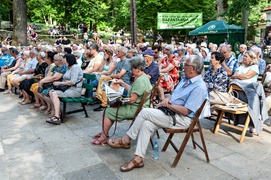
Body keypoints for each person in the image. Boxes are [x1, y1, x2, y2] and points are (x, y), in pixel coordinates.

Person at [106, 55, 207, 172]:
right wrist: (167, 100)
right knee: (147, 124)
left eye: (186, 65)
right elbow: (175, 97)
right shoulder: (186, 79)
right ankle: (138, 158)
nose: (183, 66)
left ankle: (126, 140)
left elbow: (186, 111)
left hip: (182, 118)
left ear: (193, 68)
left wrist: (168, 105)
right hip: (171, 112)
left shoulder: (199, 87)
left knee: (144, 112)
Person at [92, 57, 153, 145]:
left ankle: (104, 136)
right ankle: (104, 133)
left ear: (138, 69)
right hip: (139, 107)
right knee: (111, 108)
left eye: (132, 68)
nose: (131, 70)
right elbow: (132, 90)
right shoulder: (143, 77)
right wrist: (122, 83)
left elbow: (132, 100)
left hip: (134, 109)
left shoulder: (140, 81)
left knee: (108, 111)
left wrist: (118, 99)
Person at [46, 54, 83, 125]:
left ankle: (57, 116)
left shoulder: (75, 68)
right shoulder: (68, 67)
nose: (63, 60)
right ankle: (58, 113)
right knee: (51, 92)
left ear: (69, 59)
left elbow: (72, 82)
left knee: (53, 93)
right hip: (68, 89)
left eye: (64, 59)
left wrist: (59, 83)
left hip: (75, 90)